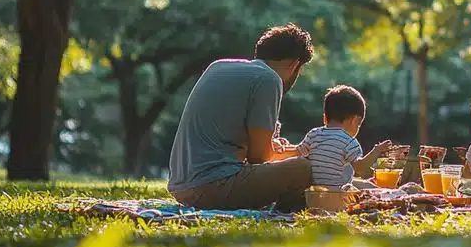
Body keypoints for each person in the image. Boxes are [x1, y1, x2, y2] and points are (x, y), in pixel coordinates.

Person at [167, 23, 315, 211]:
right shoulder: (269, 79)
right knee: (302, 168)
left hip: (181, 187)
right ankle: (286, 213)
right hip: (212, 186)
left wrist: (273, 148)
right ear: (294, 64)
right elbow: (259, 157)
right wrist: (299, 152)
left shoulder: (218, 66)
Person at [297, 85, 393, 189]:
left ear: (325, 118)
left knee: (366, 184)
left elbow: (298, 152)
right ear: (355, 120)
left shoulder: (313, 134)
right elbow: (360, 168)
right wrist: (377, 150)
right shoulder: (349, 142)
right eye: (359, 124)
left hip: (313, 192)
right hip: (337, 194)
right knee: (373, 189)